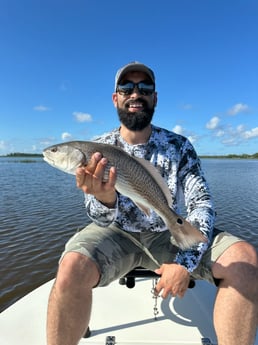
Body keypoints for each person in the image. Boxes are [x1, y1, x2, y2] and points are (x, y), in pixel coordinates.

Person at [47, 61, 258, 345]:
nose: (136, 93)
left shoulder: (179, 146)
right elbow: (99, 220)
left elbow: (202, 202)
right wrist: (105, 200)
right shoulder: (98, 148)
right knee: (70, 266)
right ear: (116, 97)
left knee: (245, 261)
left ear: (155, 97)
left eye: (145, 87)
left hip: (168, 234)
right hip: (117, 233)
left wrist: (185, 262)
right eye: (126, 87)